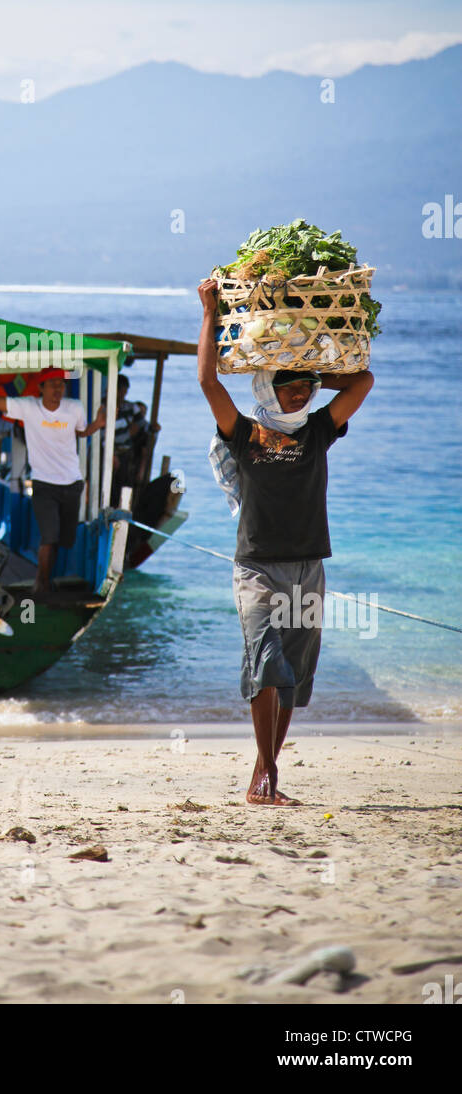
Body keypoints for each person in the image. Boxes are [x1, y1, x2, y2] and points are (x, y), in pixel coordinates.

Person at [197, 277, 374, 806]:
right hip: (256, 568)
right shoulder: (245, 434)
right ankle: (267, 773)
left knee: (292, 675)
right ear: (266, 387)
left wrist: (317, 348)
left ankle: (264, 773)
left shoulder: (318, 429)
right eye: (288, 384)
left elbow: (362, 379)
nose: (299, 393)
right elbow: (209, 383)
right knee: (265, 663)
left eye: (306, 386)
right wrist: (208, 312)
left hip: (307, 568)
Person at [0, 365, 106, 598]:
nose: (57, 388)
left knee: (65, 539)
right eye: (51, 384)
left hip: (72, 484)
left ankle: (49, 579)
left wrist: (96, 426)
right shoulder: (29, 407)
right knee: (49, 536)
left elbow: (79, 432)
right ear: (40, 388)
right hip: (43, 484)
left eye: (61, 384)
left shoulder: (74, 407)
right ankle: (41, 583)